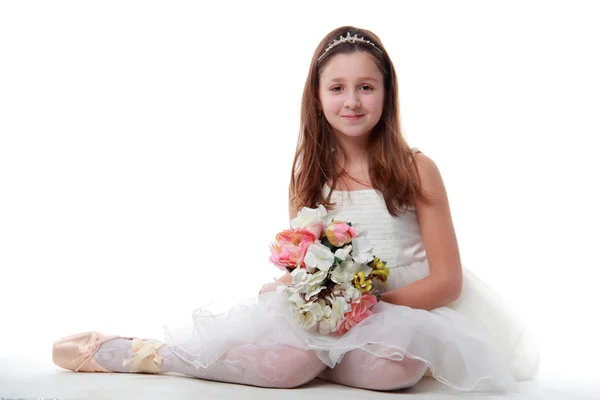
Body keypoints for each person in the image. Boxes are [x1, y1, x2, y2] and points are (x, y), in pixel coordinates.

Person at [52, 26, 540, 393]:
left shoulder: (417, 168)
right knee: (286, 369)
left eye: (366, 87)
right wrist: (301, 292)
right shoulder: (310, 171)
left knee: (394, 368)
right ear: (318, 96)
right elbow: (310, 258)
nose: (351, 101)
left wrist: (367, 307)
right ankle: (143, 354)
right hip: (334, 307)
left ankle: (321, 358)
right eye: (337, 88)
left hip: (404, 305)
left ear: (387, 94)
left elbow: (447, 280)